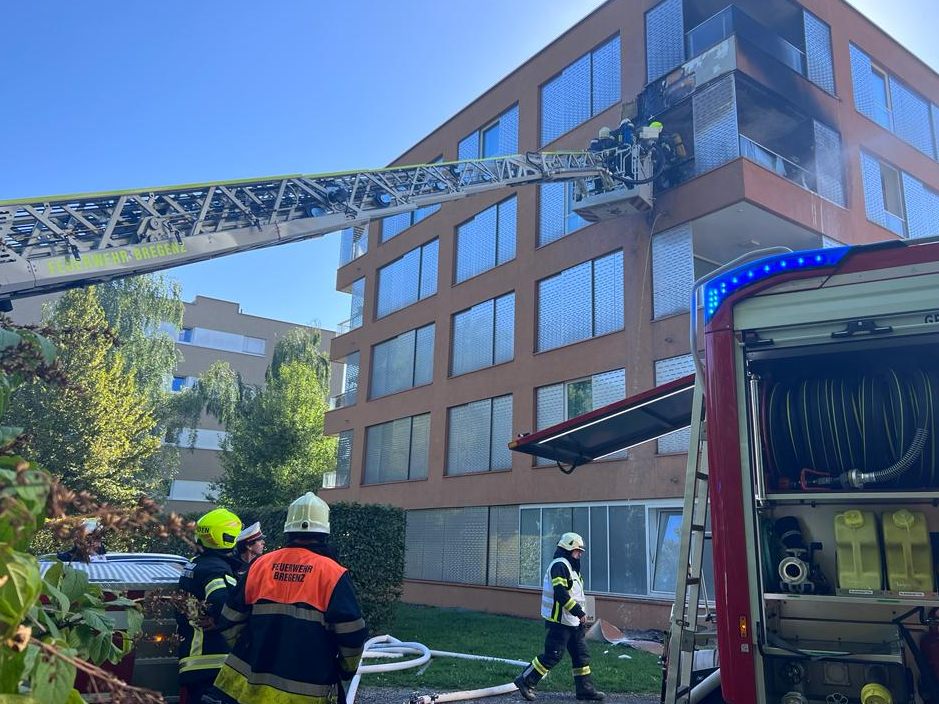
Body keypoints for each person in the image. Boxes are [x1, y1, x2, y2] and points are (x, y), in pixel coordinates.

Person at [207, 491, 368, 704]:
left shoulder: (260, 565)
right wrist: (346, 669)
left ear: (288, 530)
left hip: (248, 691)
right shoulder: (333, 573)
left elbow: (229, 621)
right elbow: (352, 634)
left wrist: (252, 649)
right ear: (324, 532)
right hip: (307, 694)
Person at [514, 532, 605, 701]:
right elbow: (561, 594)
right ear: (568, 549)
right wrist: (579, 612)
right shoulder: (559, 566)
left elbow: (576, 594)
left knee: (581, 655)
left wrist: (581, 616)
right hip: (559, 621)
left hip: (573, 622)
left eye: (581, 552)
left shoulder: (572, 568)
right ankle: (525, 681)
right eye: (577, 551)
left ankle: (585, 690)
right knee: (553, 655)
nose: (580, 554)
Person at [176, 508, 243, 704]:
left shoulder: (195, 564)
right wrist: (222, 621)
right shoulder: (216, 570)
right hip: (212, 660)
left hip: (194, 659)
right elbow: (222, 600)